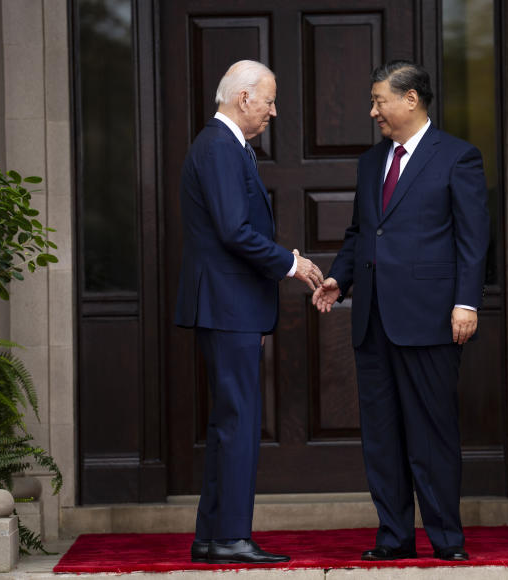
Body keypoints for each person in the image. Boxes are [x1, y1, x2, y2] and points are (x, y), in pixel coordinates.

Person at [312, 60, 490, 562]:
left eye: (378, 101)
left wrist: (466, 301)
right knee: (382, 436)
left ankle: (446, 541)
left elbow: (473, 240)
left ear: (410, 99)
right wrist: (337, 279)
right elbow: (359, 233)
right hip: (372, 320)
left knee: (431, 434)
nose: (373, 112)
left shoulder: (458, 157)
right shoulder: (371, 163)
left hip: (432, 318)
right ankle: (393, 537)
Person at [176, 59, 323, 564]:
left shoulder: (225, 146)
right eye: (270, 100)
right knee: (237, 422)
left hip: (231, 305)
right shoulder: (220, 146)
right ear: (244, 99)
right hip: (228, 305)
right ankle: (231, 537)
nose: (274, 111)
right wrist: (292, 263)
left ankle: (212, 536)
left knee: (229, 421)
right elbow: (233, 231)